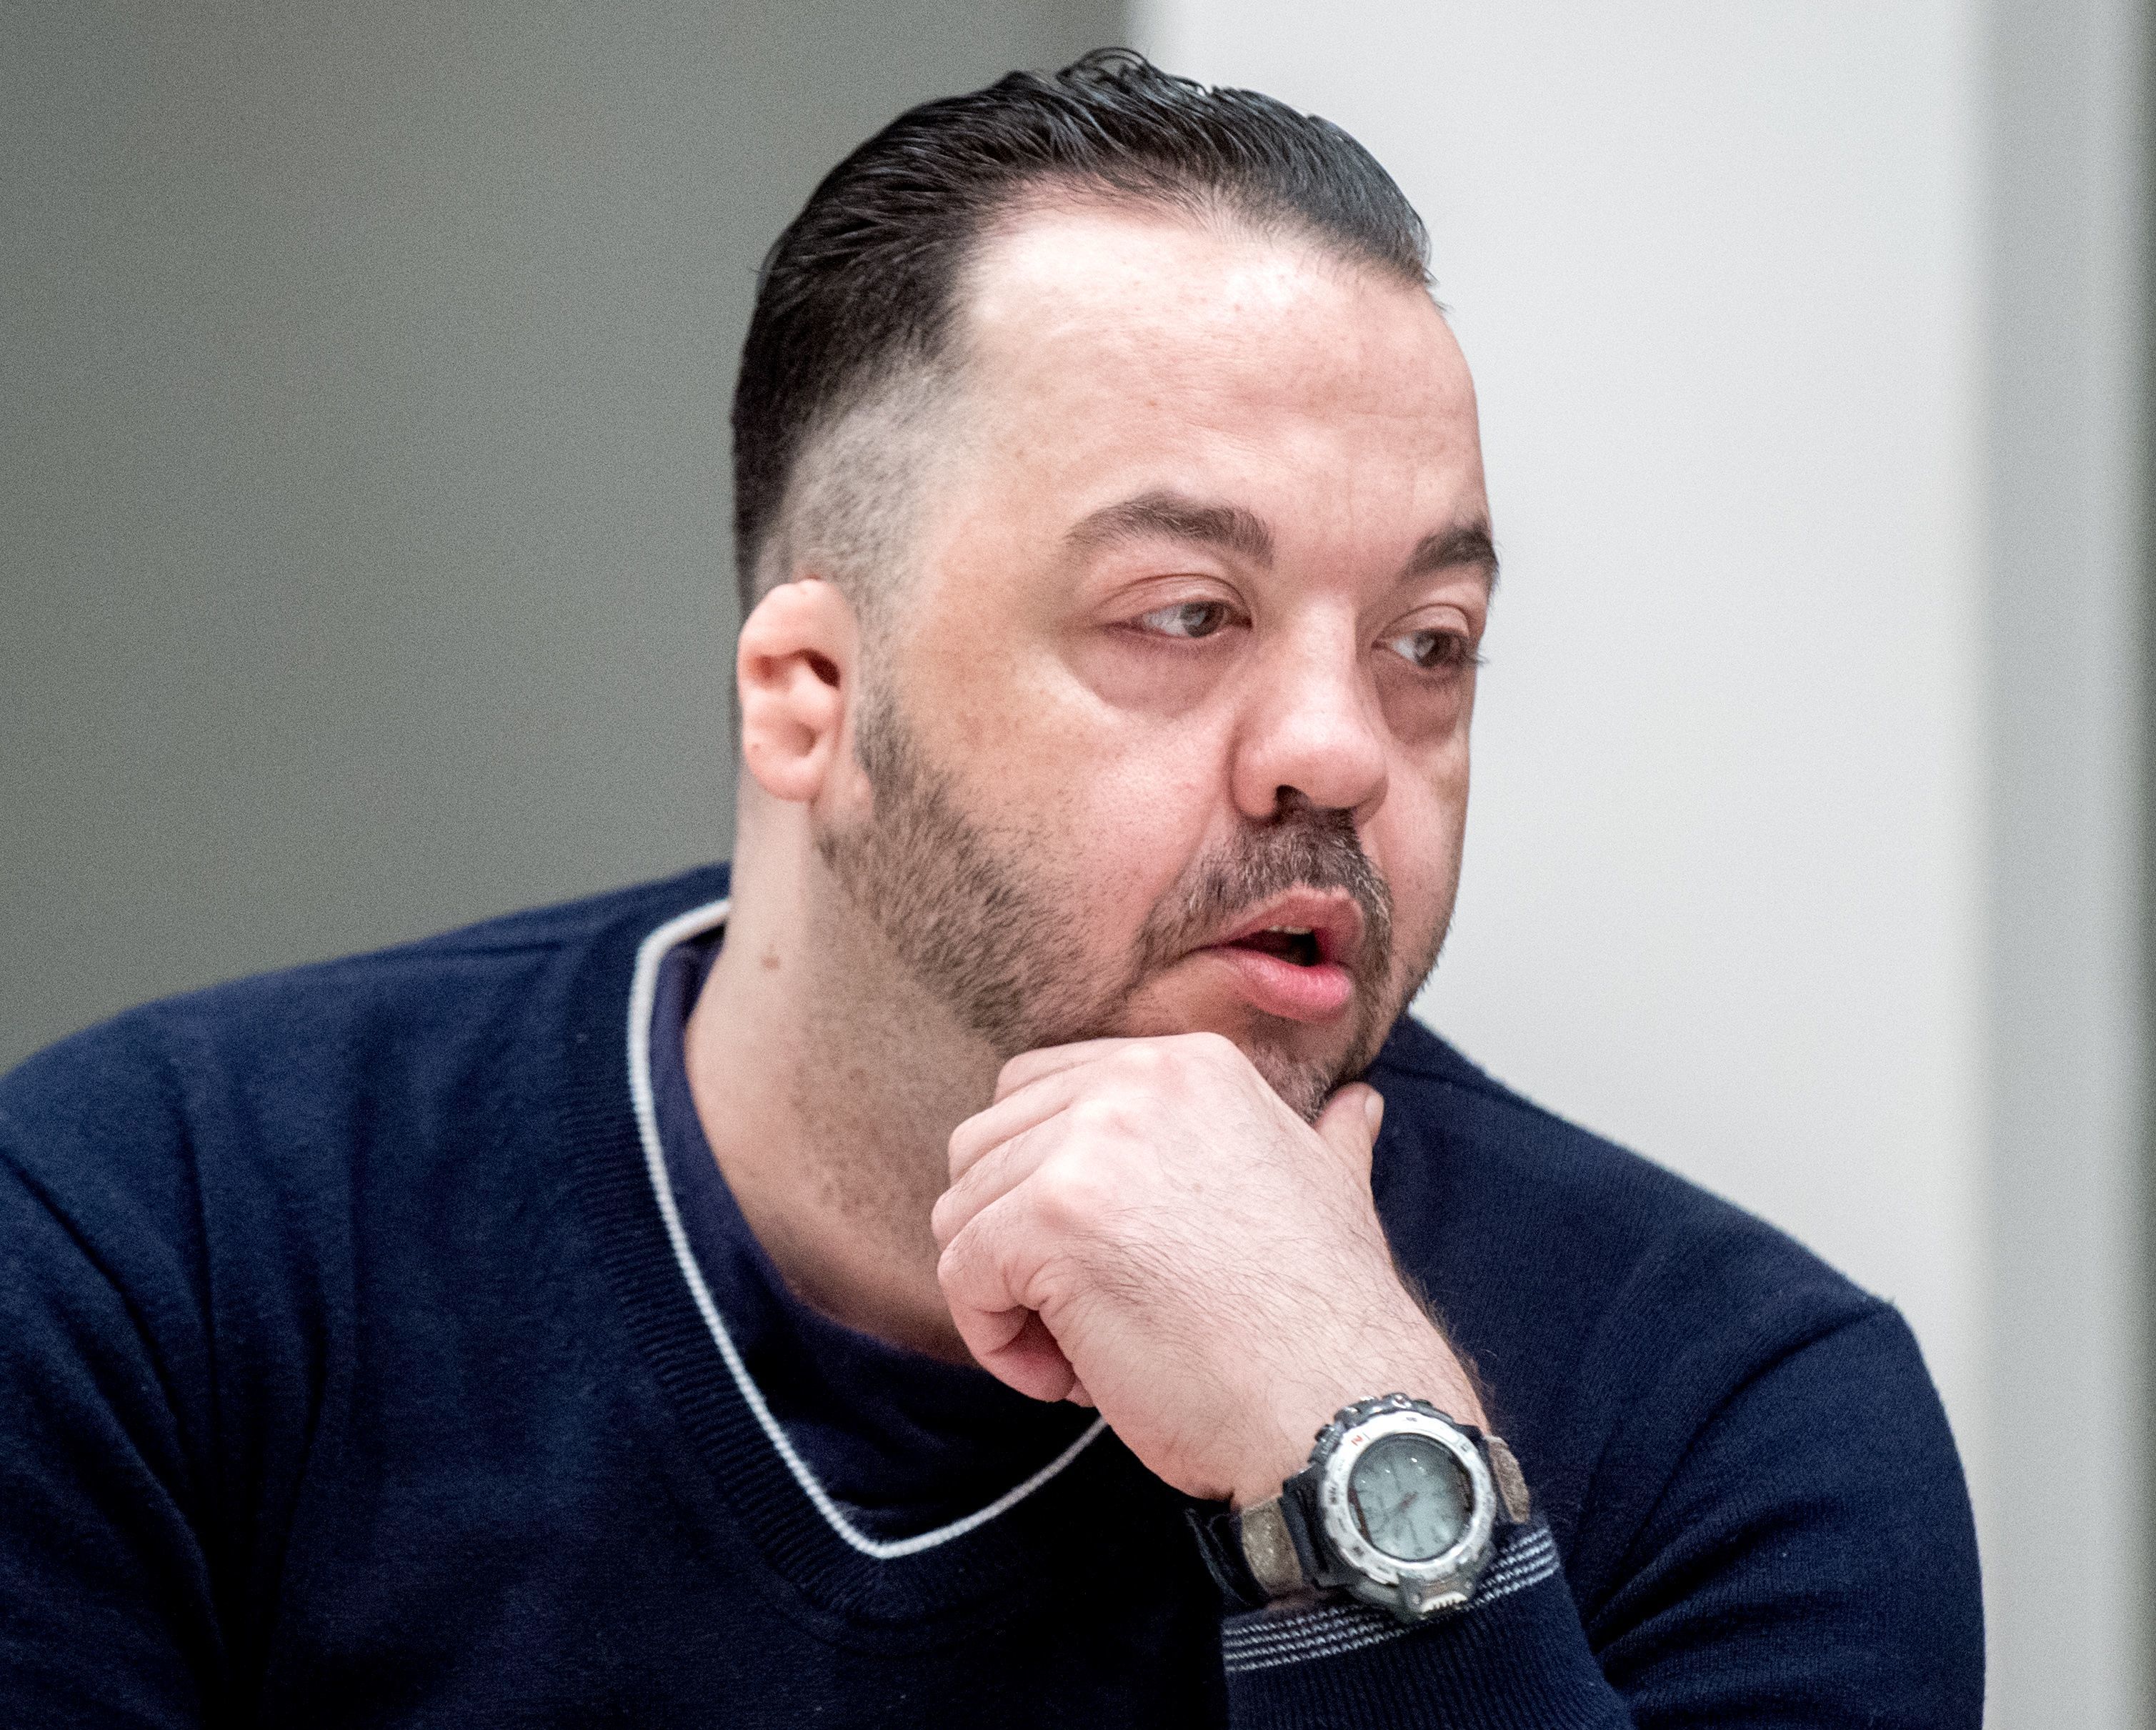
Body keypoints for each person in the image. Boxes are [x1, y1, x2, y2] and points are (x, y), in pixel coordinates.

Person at [0, 51, 1983, 1728]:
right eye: (1184, 612)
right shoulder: (153, 1257)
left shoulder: (1739, 1419)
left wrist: (1363, 1457)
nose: (1343, 749)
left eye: (1429, 642)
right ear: (813, 700)